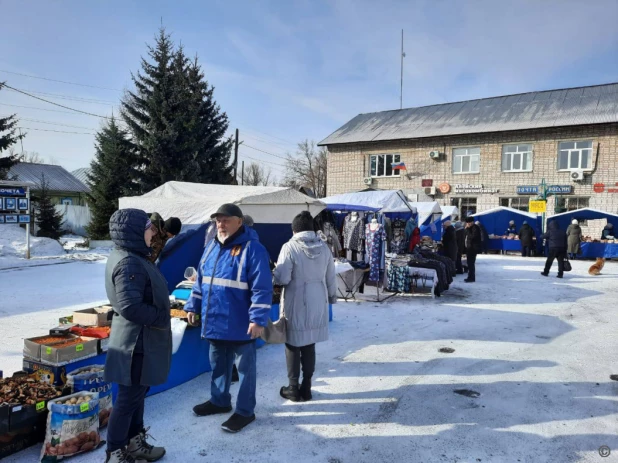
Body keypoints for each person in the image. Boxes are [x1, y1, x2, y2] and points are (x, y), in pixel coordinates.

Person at [184, 203, 273, 433]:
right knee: (219, 365)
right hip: (214, 320)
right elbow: (200, 282)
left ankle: (245, 412)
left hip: (241, 323)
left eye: (226, 220)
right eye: (218, 220)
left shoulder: (254, 249)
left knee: (244, 370)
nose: (221, 224)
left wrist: (257, 319)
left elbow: (262, 289)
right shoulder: (212, 247)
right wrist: (193, 305)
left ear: (239, 222)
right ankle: (219, 401)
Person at [104, 209, 172, 463]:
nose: (152, 231)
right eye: (148, 227)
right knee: (127, 399)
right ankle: (115, 452)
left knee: (136, 397)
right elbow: (130, 306)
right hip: (136, 344)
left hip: (140, 340)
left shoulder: (133, 256)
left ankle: (134, 442)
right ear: (133, 231)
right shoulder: (129, 262)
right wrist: (161, 316)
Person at [274, 211, 337, 402]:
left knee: (292, 343)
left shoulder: (290, 247)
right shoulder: (324, 248)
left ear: (294, 229)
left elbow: (283, 277)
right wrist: (332, 298)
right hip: (318, 299)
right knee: (309, 343)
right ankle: (307, 386)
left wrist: (275, 273)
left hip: (296, 300)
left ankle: (293, 387)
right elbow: (331, 277)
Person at [464, 217, 482, 283]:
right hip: (469, 248)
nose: (467, 224)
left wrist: (468, 229)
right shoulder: (470, 228)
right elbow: (466, 235)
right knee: (469, 263)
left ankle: (471, 277)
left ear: (471, 222)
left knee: (471, 263)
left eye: (468, 223)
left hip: (472, 249)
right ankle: (470, 276)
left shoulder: (475, 228)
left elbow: (472, 237)